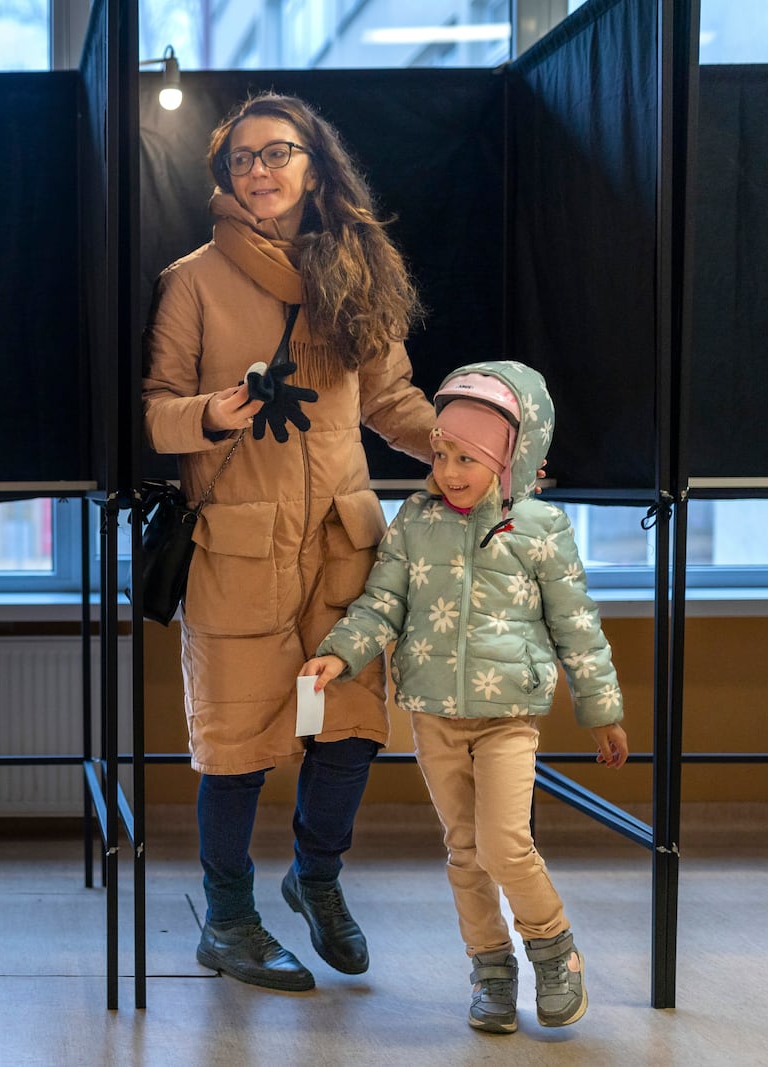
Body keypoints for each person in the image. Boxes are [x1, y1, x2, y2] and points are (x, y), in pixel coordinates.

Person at [142, 91, 439, 992]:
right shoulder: (193, 278)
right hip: (238, 547)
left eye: (277, 153)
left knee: (351, 729)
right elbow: (157, 414)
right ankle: (228, 920)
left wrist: (476, 450)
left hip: (344, 542)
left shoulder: (361, 269)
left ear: (316, 165)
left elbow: (392, 403)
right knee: (234, 745)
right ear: (224, 177)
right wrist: (216, 412)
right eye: (241, 159)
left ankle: (315, 879)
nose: (259, 171)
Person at [301, 360, 629, 1033]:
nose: (449, 470)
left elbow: (579, 628)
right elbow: (383, 602)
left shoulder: (540, 530)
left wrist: (602, 712)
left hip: (509, 716)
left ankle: (554, 948)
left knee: (506, 843)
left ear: (511, 460)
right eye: (442, 453)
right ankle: (491, 967)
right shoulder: (415, 521)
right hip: (434, 716)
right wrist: (341, 650)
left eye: (468, 458)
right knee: (464, 849)